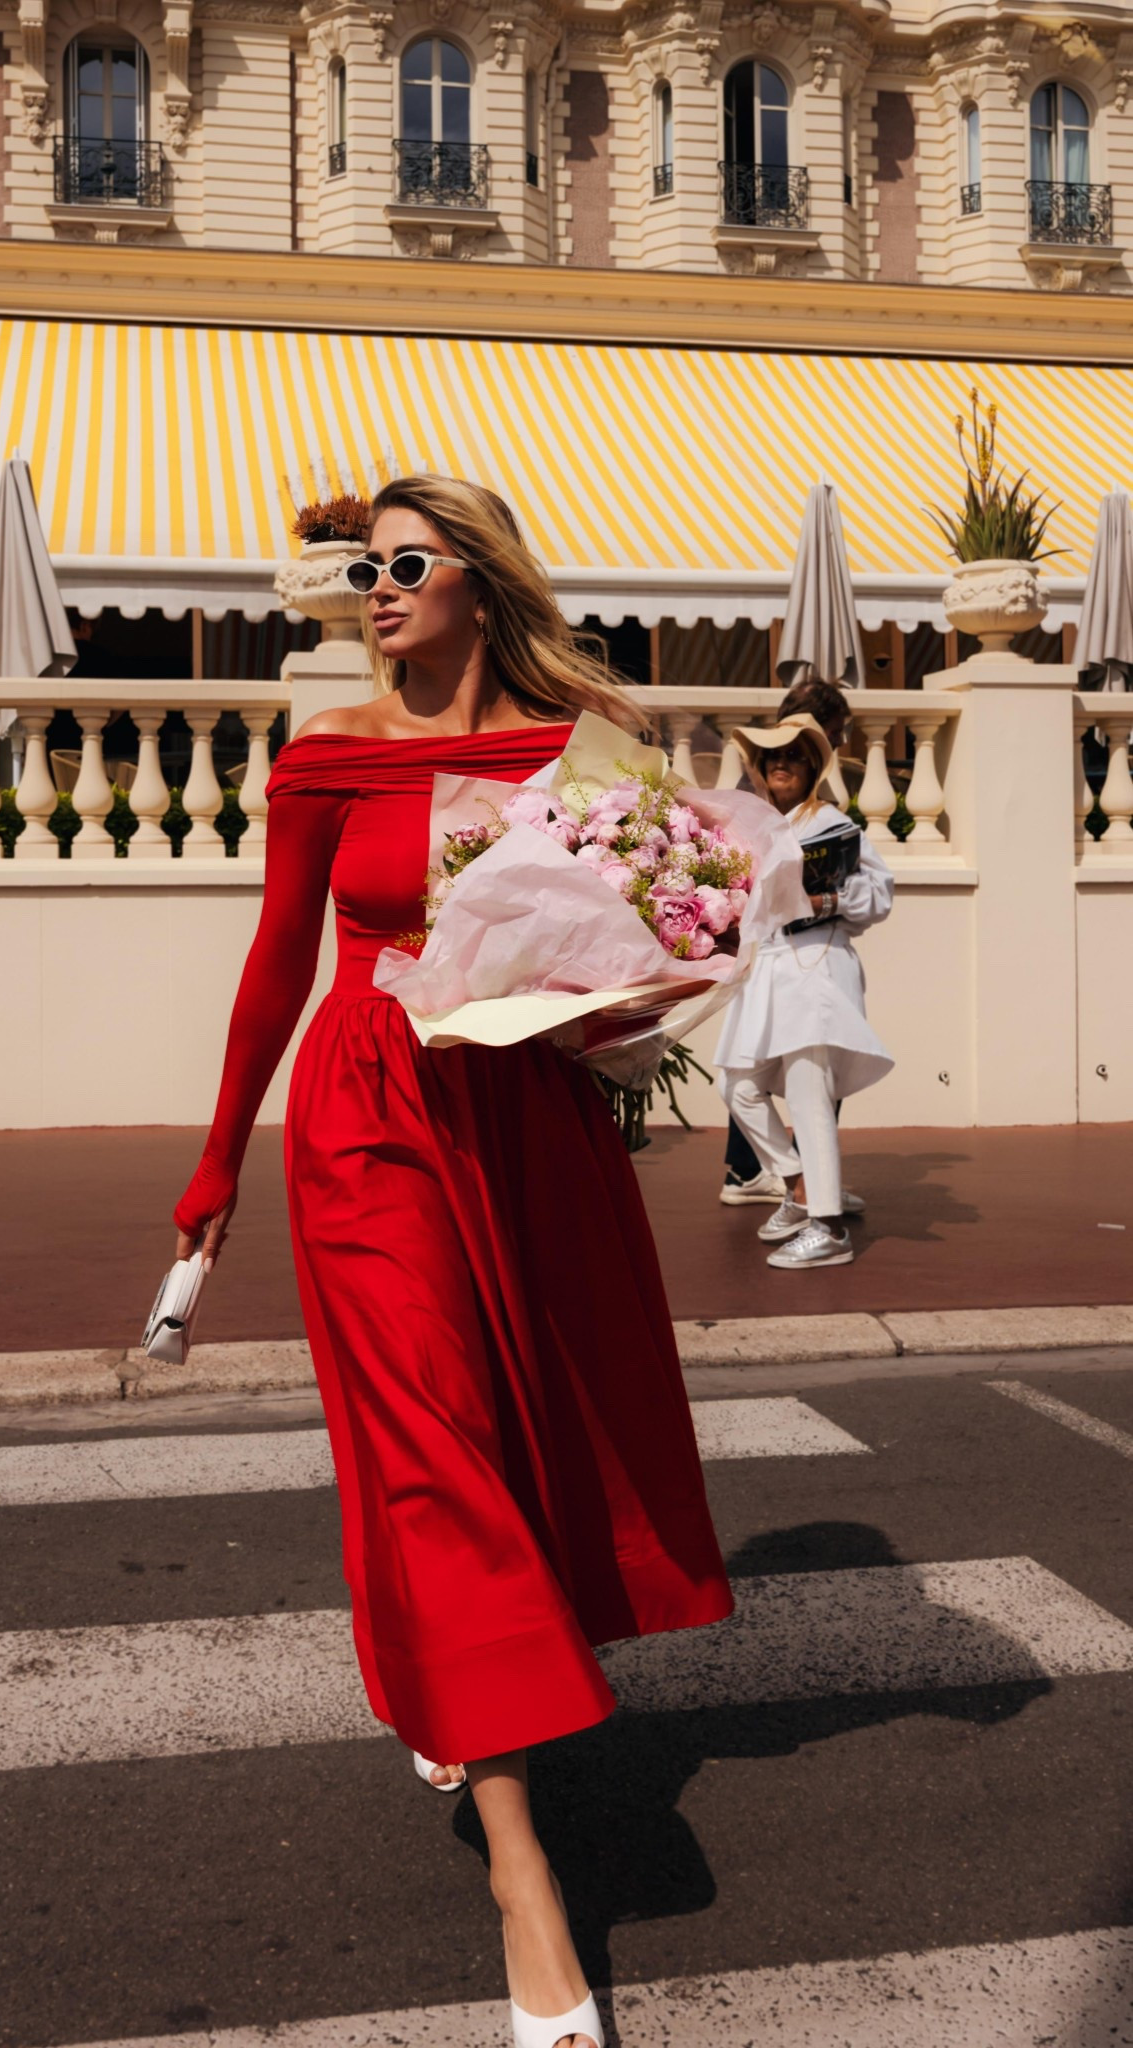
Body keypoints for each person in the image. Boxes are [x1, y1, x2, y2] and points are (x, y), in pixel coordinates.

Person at [173, 475, 732, 2048]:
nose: (376, 589)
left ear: (478, 585)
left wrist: (632, 1002)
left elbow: (644, 939)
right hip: (363, 1115)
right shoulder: (330, 756)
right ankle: (522, 1875)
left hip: (524, 1112)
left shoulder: (579, 744)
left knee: (520, 1424)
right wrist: (216, 1155)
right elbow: (277, 961)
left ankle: (454, 1674)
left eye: (406, 566)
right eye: (364, 568)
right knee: (427, 1443)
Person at [714, 713, 893, 1271]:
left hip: (814, 966)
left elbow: (879, 894)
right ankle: (798, 1185)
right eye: (772, 757)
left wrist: (825, 903)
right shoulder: (757, 827)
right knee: (736, 1085)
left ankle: (829, 1226)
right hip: (767, 973)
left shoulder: (831, 823)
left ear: (812, 766)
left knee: (808, 1092)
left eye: (792, 756)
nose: (781, 764)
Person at [719, 675, 852, 1205]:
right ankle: (798, 1185)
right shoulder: (763, 802)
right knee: (755, 1074)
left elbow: (859, 890)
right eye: (837, 734)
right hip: (778, 959)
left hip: (803, 957)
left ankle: (802, 1187)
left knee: (789, 1076)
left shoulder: (817, 811)